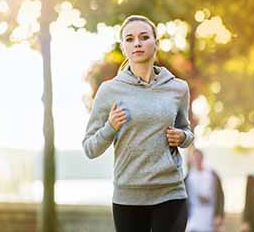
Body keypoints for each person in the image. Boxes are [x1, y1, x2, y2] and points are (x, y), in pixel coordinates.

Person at [82, 15, 194, 232]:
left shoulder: (178, 88)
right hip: (128, 197)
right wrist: (110, 127)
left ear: (156, 43)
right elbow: (90, 148)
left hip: (170, 193)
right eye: (130, 39)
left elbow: (186, 131)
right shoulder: (109, 90)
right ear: (124, 48)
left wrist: (183, 137)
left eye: (144, 37)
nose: (137, 43)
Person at [185, 149, 225, 232]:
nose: (197, 160)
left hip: (210, 216)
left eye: (198, 157)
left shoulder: (212, 174)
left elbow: (220, 196)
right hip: (193, 217)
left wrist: (219, 215)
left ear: (202, 158)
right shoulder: (188, 177)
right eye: (194, 158)